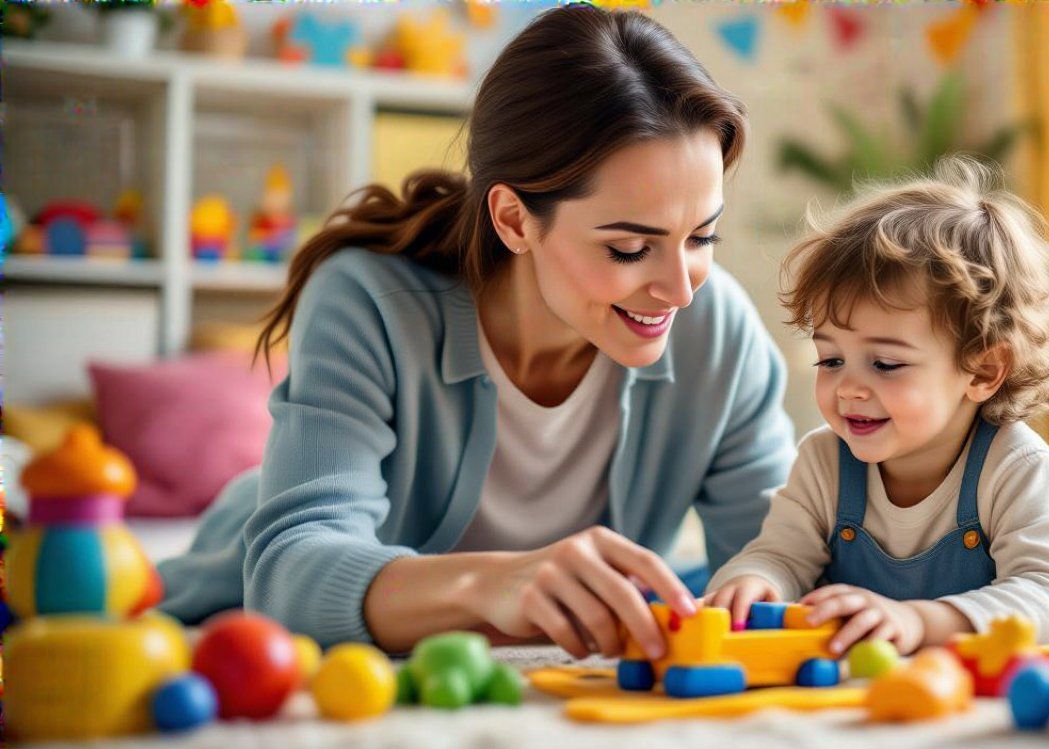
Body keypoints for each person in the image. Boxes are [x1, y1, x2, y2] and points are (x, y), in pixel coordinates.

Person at [159, 4, 796, 657]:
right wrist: (493, 584)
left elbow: (779, 551)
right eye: (630, 249)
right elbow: (287, 578)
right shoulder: (371, 305)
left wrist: (789, 583)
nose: (681, 290)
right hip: (235, 578)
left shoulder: (716, 330)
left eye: (702, 237)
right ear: (514, 220)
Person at [706, 156, 1049, 654]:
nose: (848, 388)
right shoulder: (823, 462)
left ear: (983, 371)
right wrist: (753, 581)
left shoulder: (1016, 465)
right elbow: (780, 555)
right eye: (831, 359)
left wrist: (921, 621)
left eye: (885, 364)